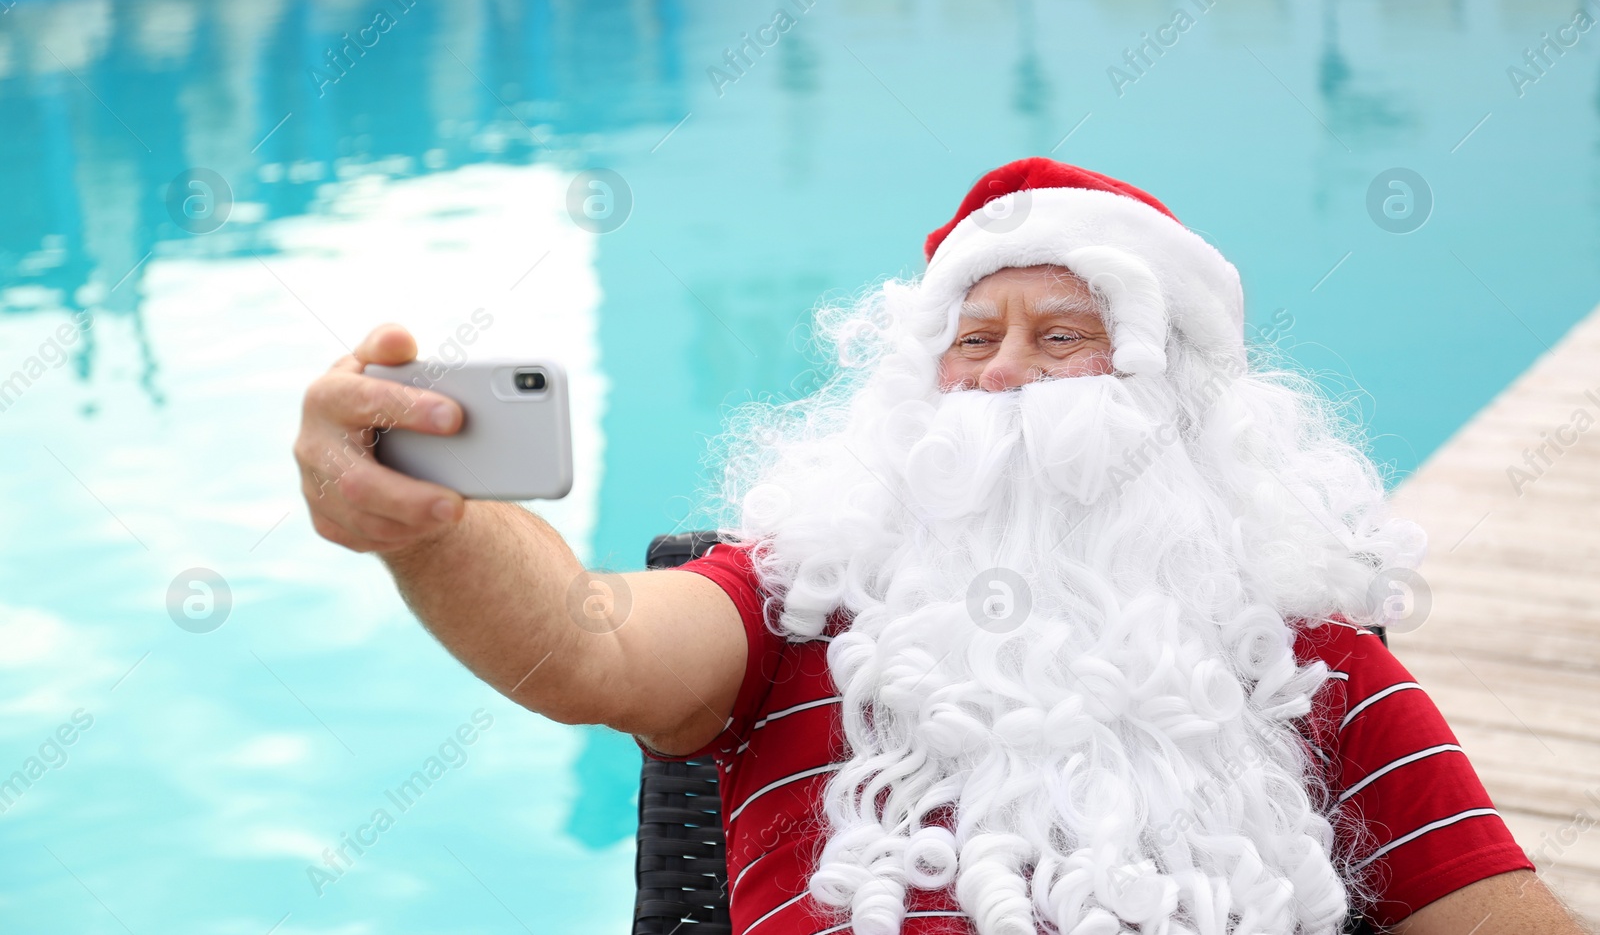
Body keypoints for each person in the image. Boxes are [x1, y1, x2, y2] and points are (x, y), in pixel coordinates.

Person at [294, 158, 1587, 935]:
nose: (1008, 375)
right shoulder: (798, 599)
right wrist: (434, 531)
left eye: (1064, 337)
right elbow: (586, 643)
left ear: (1172, 394)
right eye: (975, 341)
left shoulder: (1303, 660)